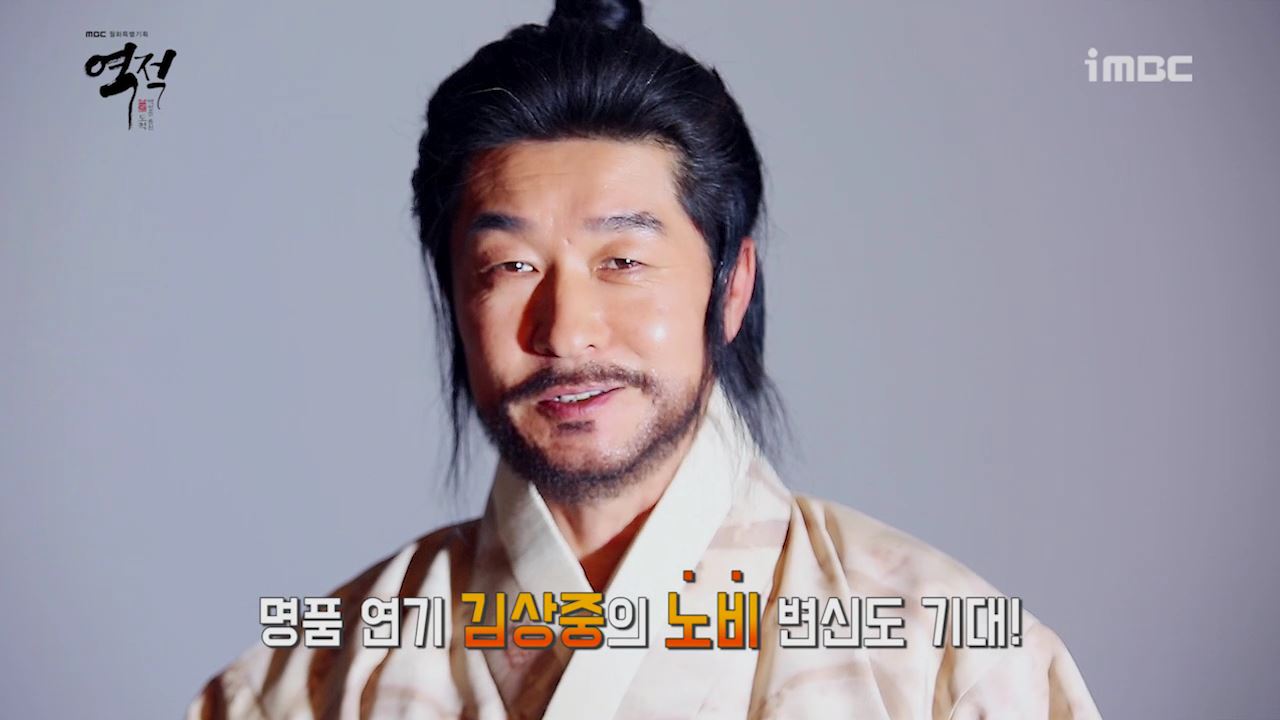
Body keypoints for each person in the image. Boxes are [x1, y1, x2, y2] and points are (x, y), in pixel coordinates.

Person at [188, 1, 1102, 717]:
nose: (567, 330)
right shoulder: (308, 683)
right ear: (455, 298)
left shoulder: (954, 662)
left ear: (731, 287)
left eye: (622, 262)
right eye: (509, 267)